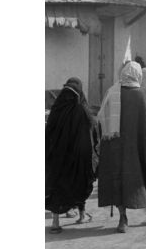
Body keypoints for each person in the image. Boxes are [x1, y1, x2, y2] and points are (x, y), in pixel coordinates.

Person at [97, 61, 146, 233]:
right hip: (138, 148)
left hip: (116, 148)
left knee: (119, 180)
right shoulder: (141, 94)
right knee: (145, 177)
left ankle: (122, 219)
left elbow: (101, 118)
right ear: (137, 75)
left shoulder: (112, 92)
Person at [46, 77, 98, 233]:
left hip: (57, 158)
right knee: (79, 183)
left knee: (57, 186)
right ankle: (82, 215)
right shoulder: (81, 111)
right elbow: (90, 135)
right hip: (77, 159)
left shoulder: (56, 109)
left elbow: (48, 133)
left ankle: (55, 222)